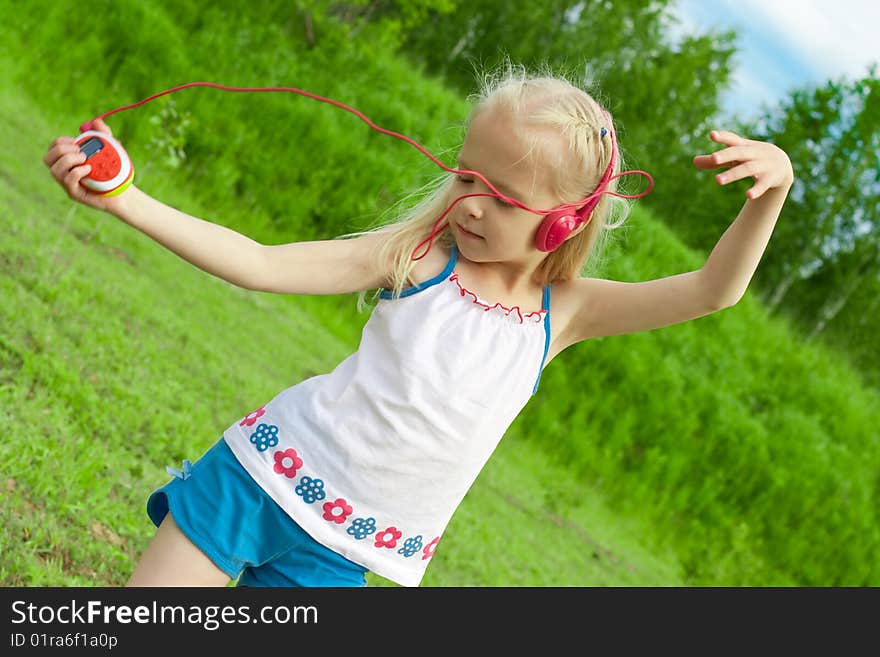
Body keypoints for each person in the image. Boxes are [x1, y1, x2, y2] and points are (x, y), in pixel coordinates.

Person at [43, 63, 793, 587]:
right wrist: (125, 199)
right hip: (257, 482)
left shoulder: (565, 313)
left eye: (500, 196)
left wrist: (770, 193)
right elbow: (260, 262)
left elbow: (711, 291)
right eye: (468, 176)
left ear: (566, 222)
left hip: (343, 550)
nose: (469, 201)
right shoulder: (417, 257)